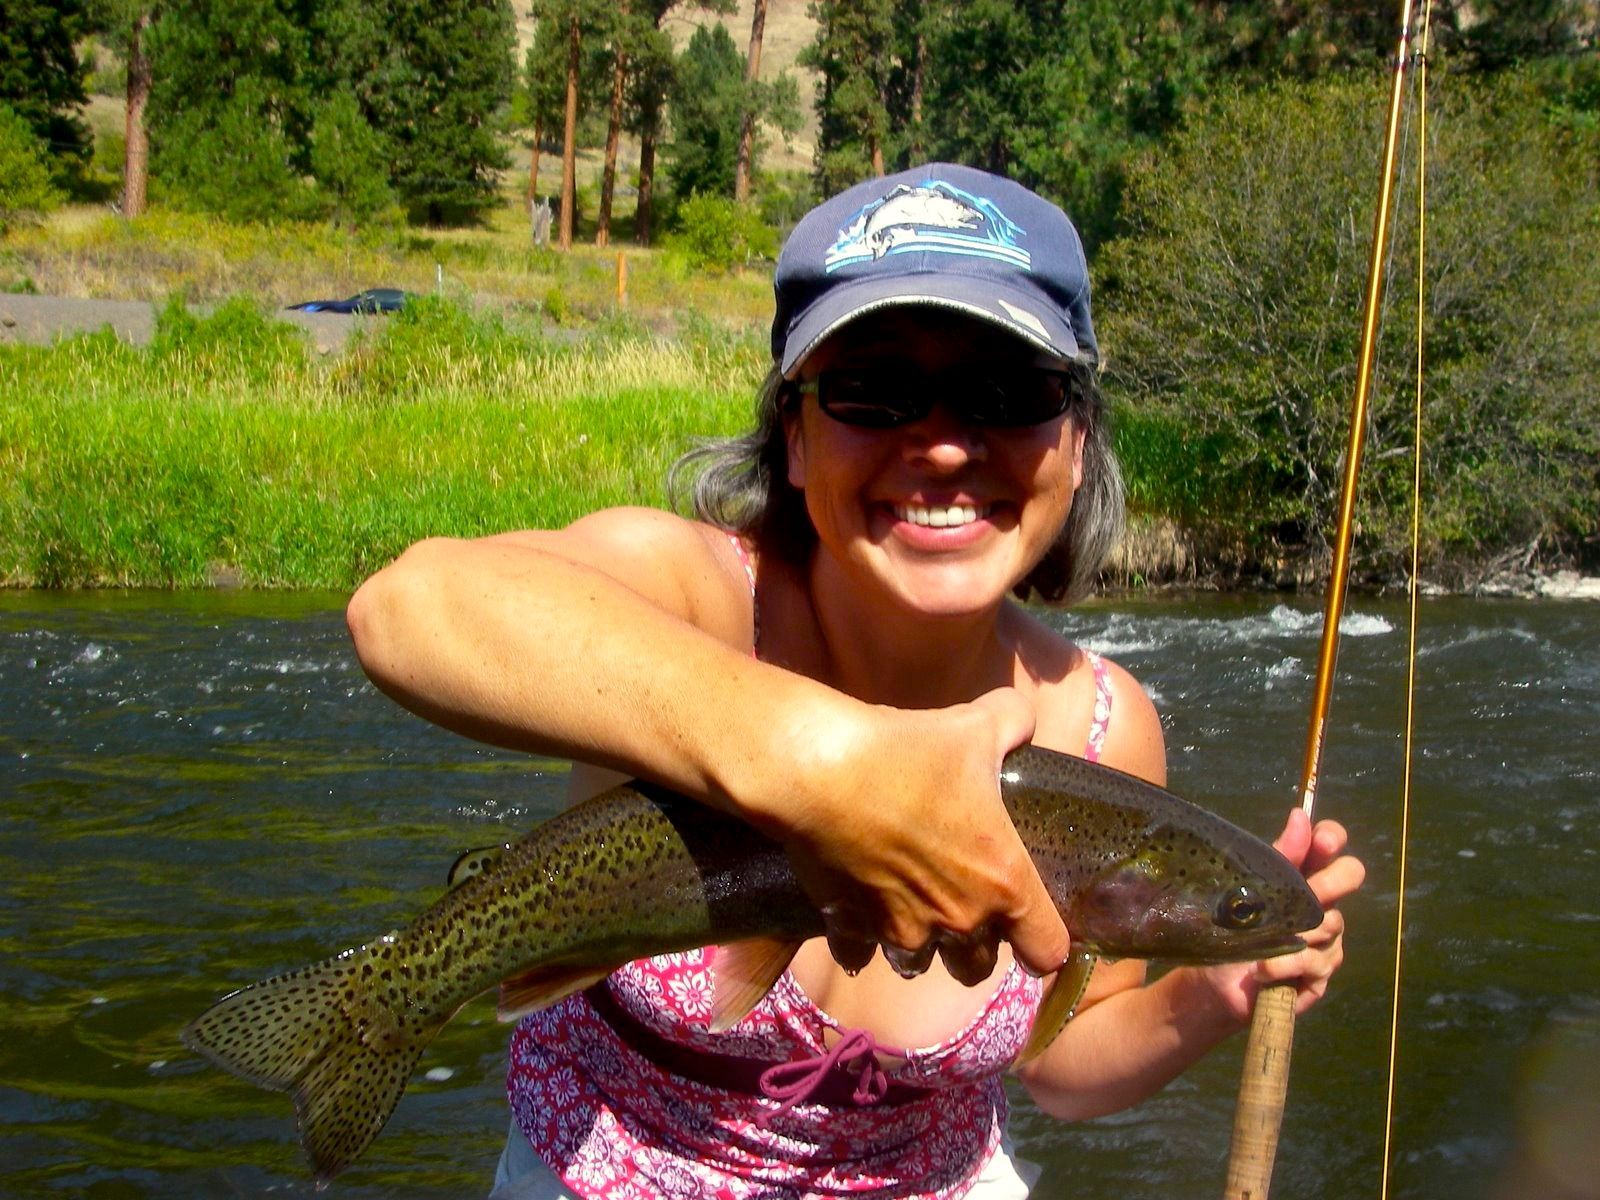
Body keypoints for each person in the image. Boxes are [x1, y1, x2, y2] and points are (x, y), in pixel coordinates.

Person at [346, 163, 1364, 1200]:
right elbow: (410, 610)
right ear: (792, 435)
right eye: (873, 392)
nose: (945, 444)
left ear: (1077, 441)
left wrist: (1218, 987)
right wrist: (827, 766)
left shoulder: (1102, 723)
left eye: (1010, 393)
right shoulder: (686, 595)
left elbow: (1060, 1065)